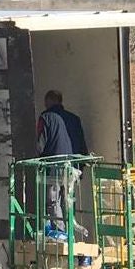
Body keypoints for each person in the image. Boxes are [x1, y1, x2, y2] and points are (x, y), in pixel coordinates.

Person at [37, 90, 89, 236]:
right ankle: (70, 232)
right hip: (73, 167)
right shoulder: (74, 119)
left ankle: (60, 233)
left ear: (48, 101)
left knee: (53, 201)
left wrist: (39, 162)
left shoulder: (45, 117)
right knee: (68, 200)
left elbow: (41, 144)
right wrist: (81, 167)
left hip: (54, 167)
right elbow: (82, 144)